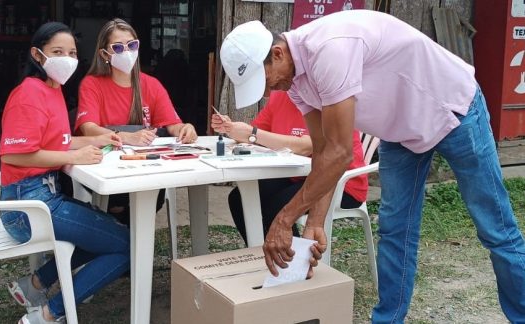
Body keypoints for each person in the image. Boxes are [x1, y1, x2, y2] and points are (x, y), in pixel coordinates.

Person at [219, 10, 525, 323]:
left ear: (278, 53)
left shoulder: (330, 49)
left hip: (452, 109)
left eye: (267, 80)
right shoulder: (294, 80)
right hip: (400, 130)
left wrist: (284, 220)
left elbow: (340, 154)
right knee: (395, 231)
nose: (271, 90)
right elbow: (323, 151)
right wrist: (315, 222)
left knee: (495, 227)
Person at [0, 22, 130, 324]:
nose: (67, 59)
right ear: (37, 54)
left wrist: (96, 139)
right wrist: (74, 155)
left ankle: (34, 286)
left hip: (43, 198)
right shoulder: (28, 93)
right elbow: (14, 152)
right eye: (58, 52)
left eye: (72, 53)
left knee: (112, 232)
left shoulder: (52, 90)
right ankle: (48, 314)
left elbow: (55, 141)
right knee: (125, 246)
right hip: (28, 206)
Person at [75, 18, 198, 223]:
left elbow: (172, 124)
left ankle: (127, 239)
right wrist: (125, 137)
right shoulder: (92, 84)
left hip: (146, 170)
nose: (127, 52)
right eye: (118, 47)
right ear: (105, 54)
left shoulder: (151, 85)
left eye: (132, 45)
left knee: (151, 195)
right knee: (120, 202)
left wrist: (186, 128)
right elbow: (88, 128)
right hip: (105, 168)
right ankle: (123, 238)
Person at [211, 90, 367, 244]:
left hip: (342, 182)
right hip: (298, 174)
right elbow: (255, 135)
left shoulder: (323, 94)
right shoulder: (280, 95)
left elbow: (308, 146)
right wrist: (231, 128)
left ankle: (292, 263)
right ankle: (261, 255)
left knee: (280, 207)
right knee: (239, 199)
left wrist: (252, 133)